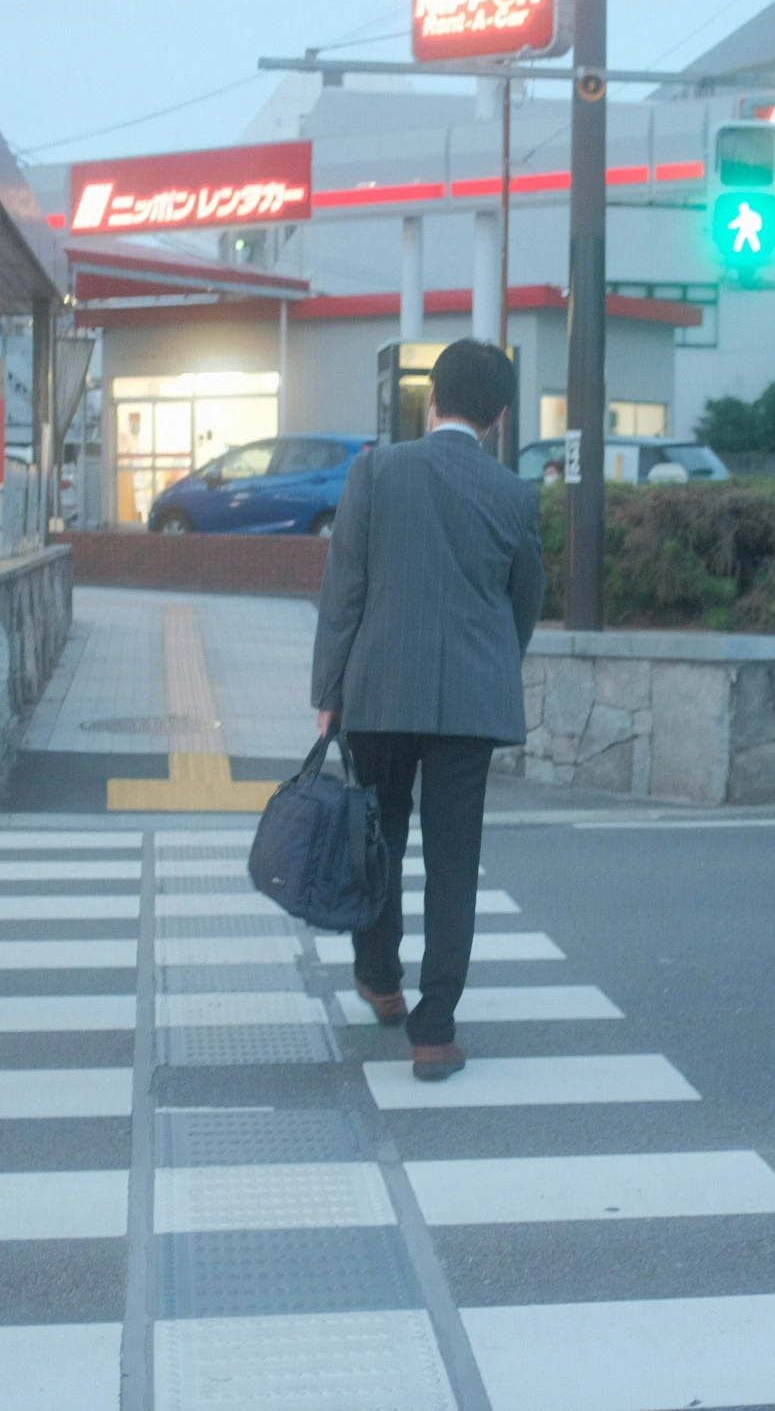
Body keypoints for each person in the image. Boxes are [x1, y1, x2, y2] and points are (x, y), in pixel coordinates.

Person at [311, 338, 545, 1081]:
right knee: (455, 859)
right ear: (500, 416)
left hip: (379, 690)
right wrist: (489, 661)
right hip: (469, 702)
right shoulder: (513, 492)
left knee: (376, 836)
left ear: (431, 399)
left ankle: (381, 979)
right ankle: (435, 1031)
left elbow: (344, 588)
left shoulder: (376, 471)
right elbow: (525, 599)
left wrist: (329, 692)